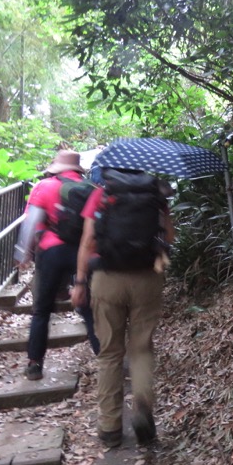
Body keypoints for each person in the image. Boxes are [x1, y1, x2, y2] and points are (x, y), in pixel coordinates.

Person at [71, 169, 175, 448]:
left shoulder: (102, 194)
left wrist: (80, 281)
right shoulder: (156, 195)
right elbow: (170, 236)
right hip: (147, 279)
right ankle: (142, 408)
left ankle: (110, 427)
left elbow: (87, 241)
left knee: (110, 354)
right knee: (141, 348)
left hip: (107, 279)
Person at [14, 149, 100, 380]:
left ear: (57, 167)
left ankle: (34, 363)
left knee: (41, 310)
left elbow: (31, 221)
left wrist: (24, 253)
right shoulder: (91, 189)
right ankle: (104, 356)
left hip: (51, 252)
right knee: (89, 308)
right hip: (83, 253)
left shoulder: (45, 186)